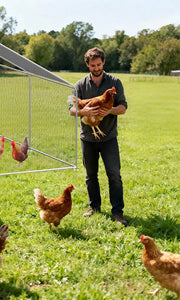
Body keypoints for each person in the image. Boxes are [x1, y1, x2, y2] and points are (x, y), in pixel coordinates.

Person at [69, 47, 128, 226]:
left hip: (109, 137)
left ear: (103, 63)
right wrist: (82, 111)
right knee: (90, 175)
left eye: (99, 64)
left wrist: (110, 109)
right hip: (88, 138)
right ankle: (94, 207)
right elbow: (71, 110)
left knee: (114, 174)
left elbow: (123, 108)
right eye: (93, 65)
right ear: (87, 64)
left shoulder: (114, 82)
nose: (97, 68)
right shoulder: (80, 85)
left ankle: (118, 212)